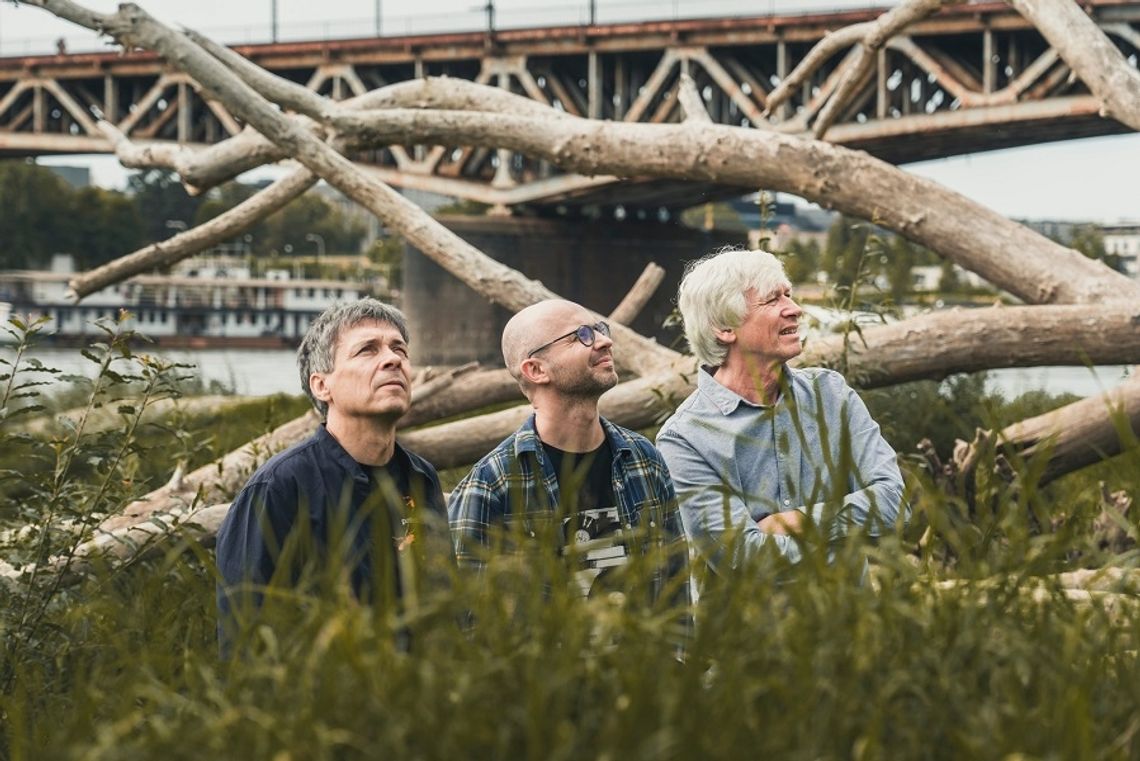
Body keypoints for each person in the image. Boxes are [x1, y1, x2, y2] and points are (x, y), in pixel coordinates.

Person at [655, 247, 905, 580]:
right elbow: (744, 561)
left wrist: (793, 522)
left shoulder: (830, 394)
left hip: (853, 628)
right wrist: (846, 535)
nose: (795, 309)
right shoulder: (685, 438)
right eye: (773, 300)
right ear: (724, 327)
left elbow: (893, 505)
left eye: (789, 294)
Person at [215, 298, 448, 648]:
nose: (393, 359)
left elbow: (444, 608)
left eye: (399, 348)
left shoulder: (421, 478)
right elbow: (247, 636)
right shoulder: (279, 487)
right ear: (322, 386)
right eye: (367, 350)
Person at [448, 299, 687, 604]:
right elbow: (471, 619)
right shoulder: (491, 484)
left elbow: (677, 591)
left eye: (600, 329)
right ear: (536, 369)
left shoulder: (645, 460)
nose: (605, 341)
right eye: (582, 335)